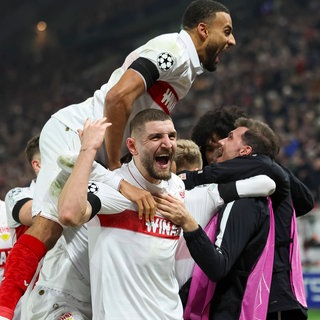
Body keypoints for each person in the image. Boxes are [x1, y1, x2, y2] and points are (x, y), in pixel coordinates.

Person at [0, 2, 236, 317]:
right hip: (79, 132)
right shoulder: (174, 50)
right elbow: (117, 97)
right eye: (227, 31)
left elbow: (132, 114)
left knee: (81, 223)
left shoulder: (186, 69)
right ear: (203, 30)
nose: (232, 41)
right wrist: (115, 168)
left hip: (98, 141)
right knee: (52, 223)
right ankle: (4, 309)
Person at [57, 110, 274, 319]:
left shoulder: (177, 190)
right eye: (155, 137)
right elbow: (69, 214)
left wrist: (188, 220)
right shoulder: (113, 189)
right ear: (132, 146)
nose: (167, 143)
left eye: (171, 136)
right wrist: (88, 150)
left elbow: (266, 183)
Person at [179, 117, 313, 319]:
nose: (220, 144)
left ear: (247, 151)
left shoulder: (255, 195)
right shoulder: (244, 192)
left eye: (230, 137)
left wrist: (186, 178)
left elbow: (218, 265)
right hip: (258, 297)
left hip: (272, 299)